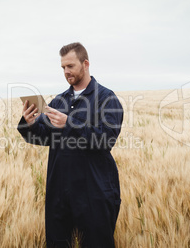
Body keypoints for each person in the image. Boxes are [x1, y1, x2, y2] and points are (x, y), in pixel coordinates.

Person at [17, 42, 123, 247]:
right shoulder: (59, 101)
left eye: (70, 66)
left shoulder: (106, 98)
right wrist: (30, 123)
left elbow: (106, 139)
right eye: (63, 67)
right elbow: (41, 137)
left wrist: (69, 124)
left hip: (94, 192)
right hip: (60, 192)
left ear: (85, 64)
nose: (66, 72)